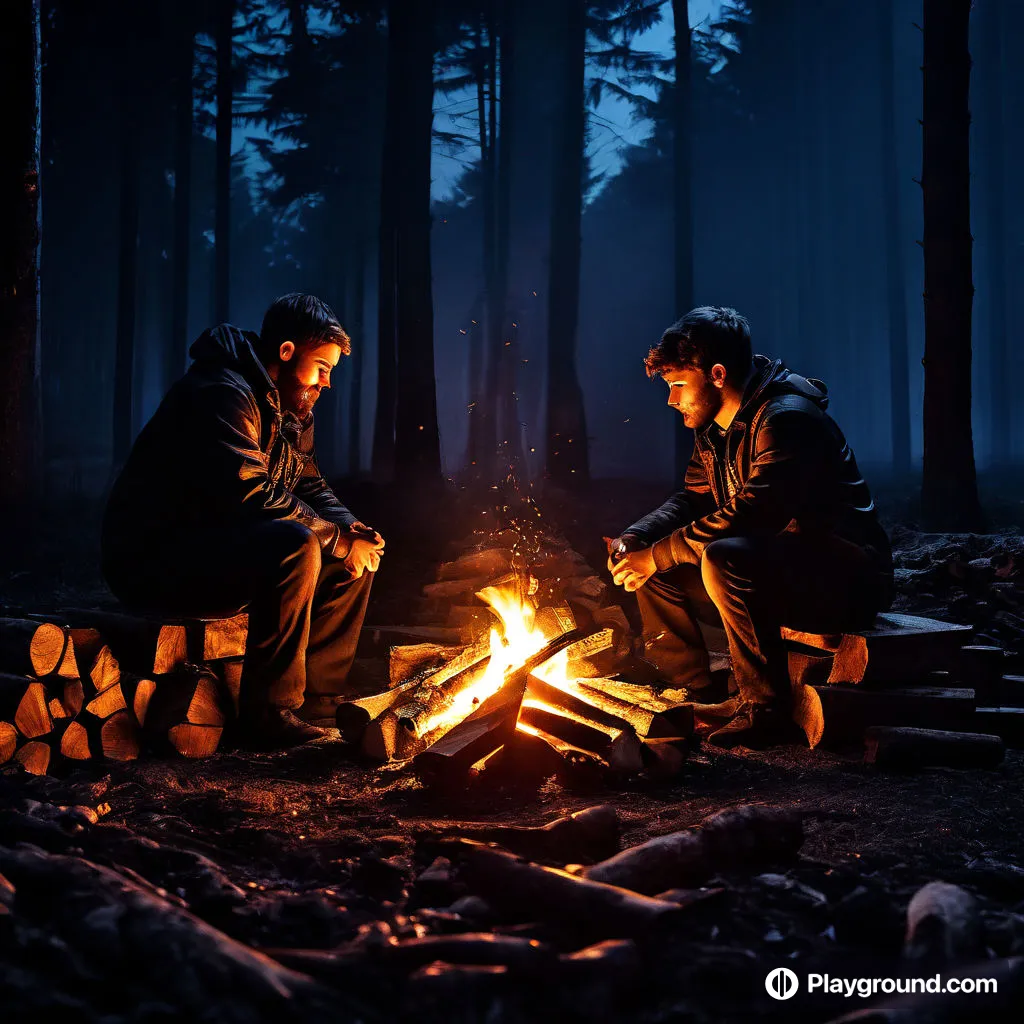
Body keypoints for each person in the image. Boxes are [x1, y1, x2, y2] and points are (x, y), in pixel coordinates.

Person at [102, 293, 385, 749]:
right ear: (287, 351)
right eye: (323, 368)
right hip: (155, 557)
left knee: (354, 557)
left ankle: (319, 701)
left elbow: (310, 485)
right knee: (297, 545)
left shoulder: (291, 411)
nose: (326, 383)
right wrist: (333, 539)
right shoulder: (221, 393)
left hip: (217, 544)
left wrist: (351, 530)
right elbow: (250, 492)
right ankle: (269, 714)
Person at [606, 306, 893, 749]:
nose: (671, 400)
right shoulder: (715, 428)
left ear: (717, 374)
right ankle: (698, 690)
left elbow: (757, 512)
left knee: (722, 557)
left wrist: (660, 551)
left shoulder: (787, 419)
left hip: (846, 579)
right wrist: (640, 537)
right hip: (778, 565)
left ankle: (765, 710)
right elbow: (695, 497)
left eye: (679, 386)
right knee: (650, 565)